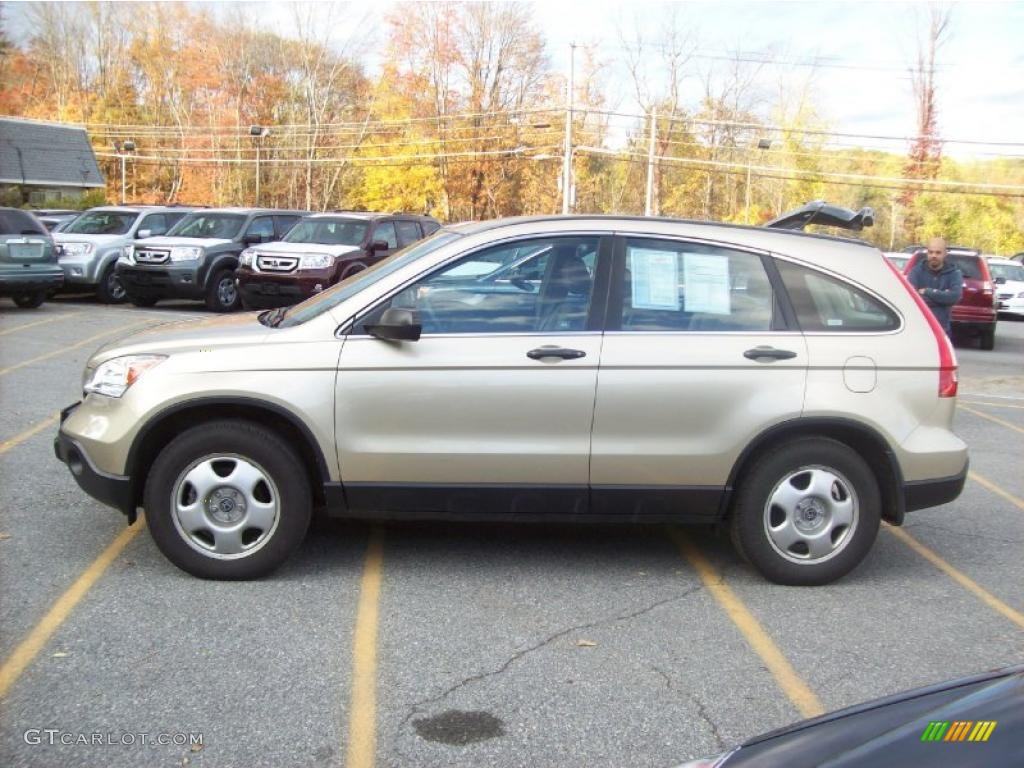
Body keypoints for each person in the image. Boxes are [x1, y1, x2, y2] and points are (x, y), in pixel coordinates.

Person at [906, 237, 962, 337]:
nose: (933, 255)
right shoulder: (916, 272)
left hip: (942, 330)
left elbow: (954, 297)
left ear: (945, 254)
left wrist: (928, 292)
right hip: (918, 329)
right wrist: (942, 299)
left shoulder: (954, 273)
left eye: (938, 252)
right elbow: (912, 299)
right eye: (930, 252)